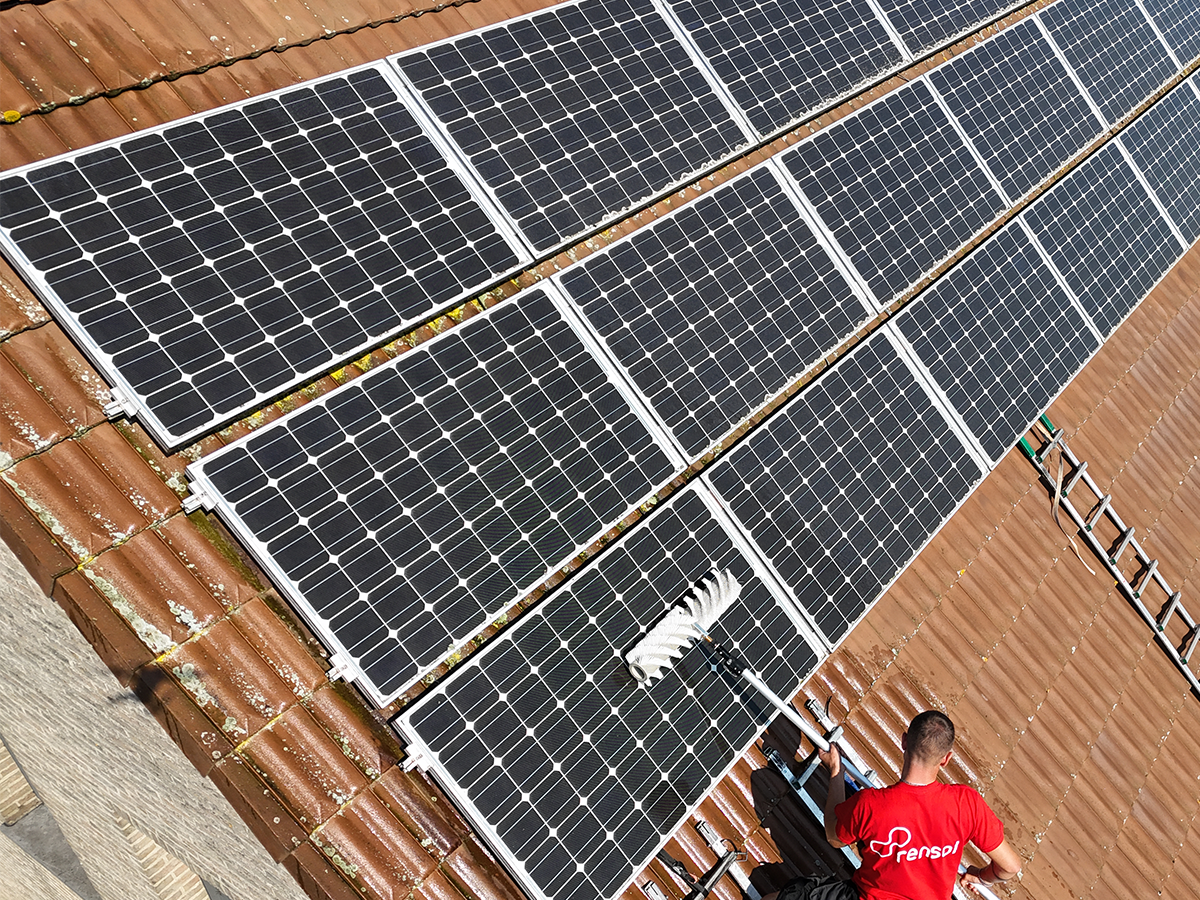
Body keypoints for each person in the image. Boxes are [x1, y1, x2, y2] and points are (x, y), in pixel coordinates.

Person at [764, 710, 1021, 900]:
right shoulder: (967, 804)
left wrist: (836, 771)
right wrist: (982, 876)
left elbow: (834, 836)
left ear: (903, 741)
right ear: (946, 759)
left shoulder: (871, 805)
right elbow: (1010, 868)